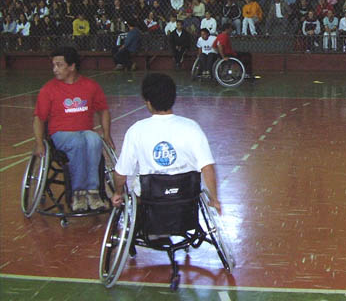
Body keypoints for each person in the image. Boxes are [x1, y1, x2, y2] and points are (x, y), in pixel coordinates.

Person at [110, 73, 221, 212]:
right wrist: (215, 199)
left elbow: (121, 174)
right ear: (173, 98)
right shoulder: (192, 127)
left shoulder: (136, 130)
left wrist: (118, 193)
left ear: (148, 102)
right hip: (185, 201)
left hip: (150, 201)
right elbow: (207, 167)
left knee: (138, 191)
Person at [33, 47, 113, 212]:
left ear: (72, 66)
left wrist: (106, 134)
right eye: (53, 65)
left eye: (59, 65)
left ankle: (93, 192)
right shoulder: (48, 89)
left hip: (84, 133)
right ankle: (77, 193)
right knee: (78, 141)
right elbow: (39, 119)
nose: (54, 69)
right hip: (61, 134)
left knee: (93, 140)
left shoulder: (90, 86)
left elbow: (103, 110)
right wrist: (39, 143)